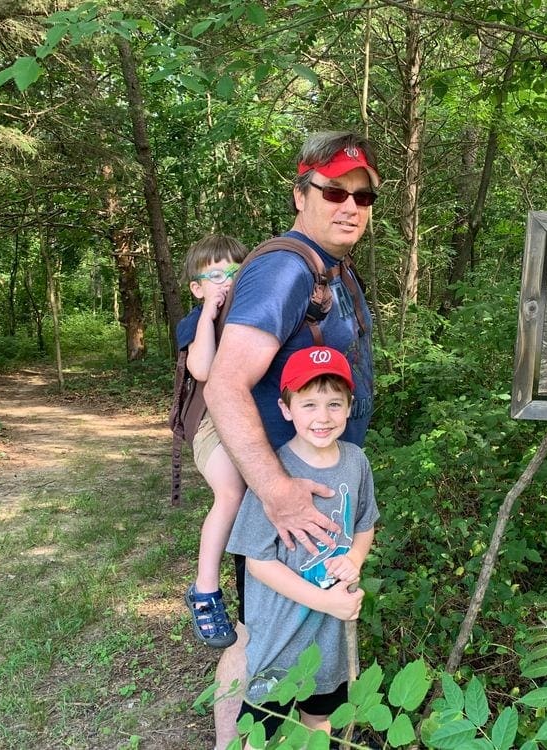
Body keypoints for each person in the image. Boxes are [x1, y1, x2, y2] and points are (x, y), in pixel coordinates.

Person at [203, 131, 379, 748]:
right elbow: (225, 385)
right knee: (258, 638)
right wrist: (277, 492)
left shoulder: (331, 268)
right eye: (334, 191)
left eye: (362, 197)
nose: (350, 206)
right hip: (284, 502)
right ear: (300, 193)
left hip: (320, 490)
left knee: (310, 628)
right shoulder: (285, 271)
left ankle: (317, 735)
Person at [225, 346, 377, 742]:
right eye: (308, 404)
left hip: (329, 637)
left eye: (333, 403)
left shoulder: (356, 461)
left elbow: (364, 522)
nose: (322, 417)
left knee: (319, 721)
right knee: (258, 730)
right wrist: (327, 601)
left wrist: (355, 559)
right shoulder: (275, 473)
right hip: (281, 636)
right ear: (286, 408)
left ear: (349, 407)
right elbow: (257, 562)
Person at [175, 234, 250, 649]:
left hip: (246, 420)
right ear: (197, 286)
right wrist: (208, 315)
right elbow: (202, 368)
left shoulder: (252, 315)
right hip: (211, 425)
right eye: (215, 274)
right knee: (231, 492)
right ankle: (205, 589)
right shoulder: (194, 321)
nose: (226, 281)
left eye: (235, 272)